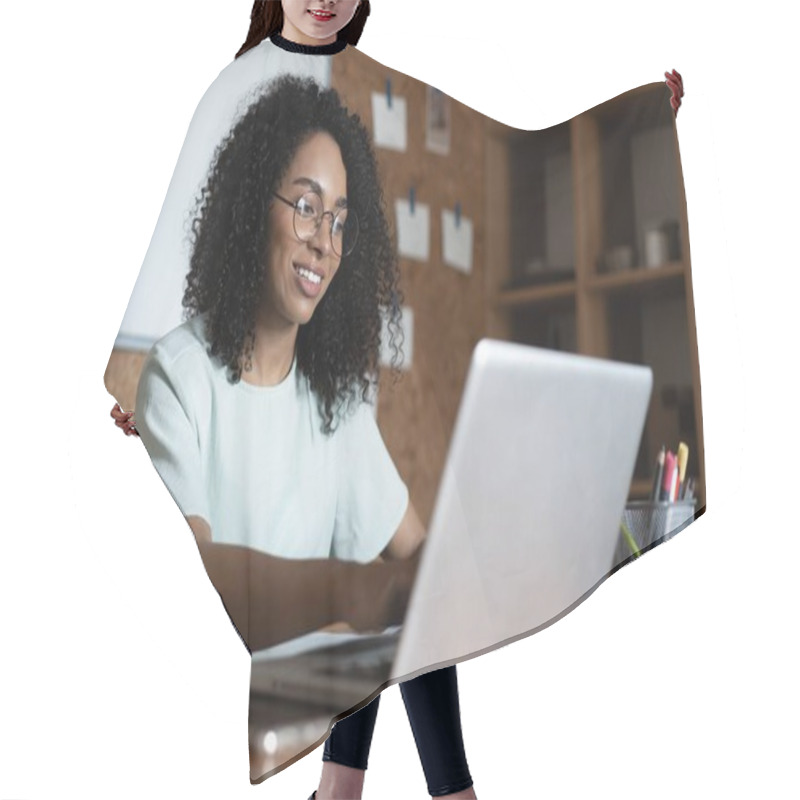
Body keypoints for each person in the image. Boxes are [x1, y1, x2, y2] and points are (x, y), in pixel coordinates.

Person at [109, 3, 685, 797]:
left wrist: (639, 124)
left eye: (339, 217)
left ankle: (351, 788)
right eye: (304, 206)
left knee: (410, 588)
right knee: (382, 593)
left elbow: (509, 158)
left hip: (329, 415)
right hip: (234, 428)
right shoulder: (234, 90)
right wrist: (135, 382)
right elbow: (177, 241)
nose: (321, 235)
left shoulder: (370, 91)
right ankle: (423, 791)